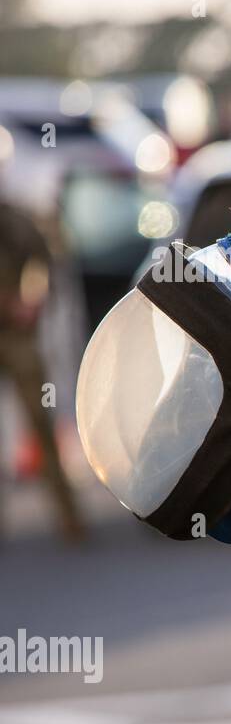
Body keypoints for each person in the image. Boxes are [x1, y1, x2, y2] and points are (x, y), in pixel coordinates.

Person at [0, 195, 85, 545]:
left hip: (16, 334)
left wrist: (29, 302)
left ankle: (68, 516)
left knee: (41, 422)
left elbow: (43, 263)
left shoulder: (15, 217)